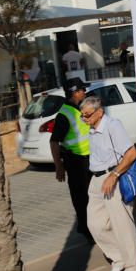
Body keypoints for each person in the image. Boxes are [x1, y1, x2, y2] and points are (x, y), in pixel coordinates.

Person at [81, 95, 136, 271]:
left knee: (121, 224)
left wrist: (114, 175)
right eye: (82, 116)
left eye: (88, 115)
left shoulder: (112, 126)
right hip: (97, 179)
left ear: (100, 112)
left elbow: (131, 153)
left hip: (113, 178)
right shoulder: (93, 129)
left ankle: (133, 266)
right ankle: (118, 257)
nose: (85, 119)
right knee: (95, 224)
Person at [49, 78, 93, 244]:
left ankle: (87, 226)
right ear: (75, 92)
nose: (85, 92)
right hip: (76, 163)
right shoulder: (64, 115)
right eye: (82, 89)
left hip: (89, 160)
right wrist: (59, 167)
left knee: (91, 196)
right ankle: (86, 229)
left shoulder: (80, 109)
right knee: (81, 198)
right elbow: (54, 142)